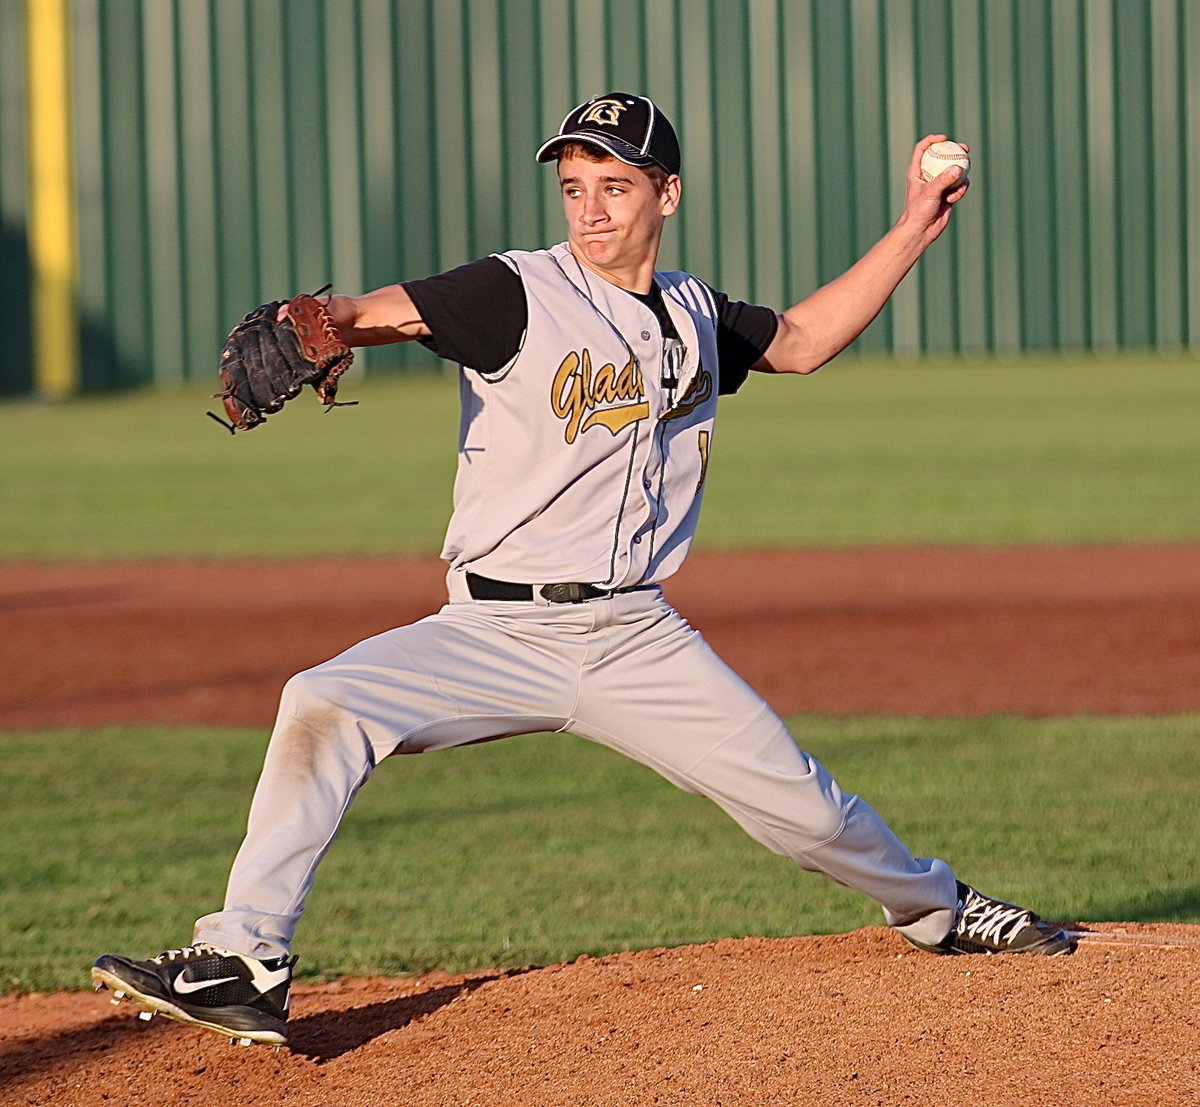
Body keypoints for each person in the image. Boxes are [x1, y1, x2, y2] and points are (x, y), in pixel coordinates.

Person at [92, 93, 1073, 1047]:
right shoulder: (513, 292)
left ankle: (939, 908)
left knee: (807, 812)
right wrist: (326, 319)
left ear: (666, 195)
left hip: (636, 638)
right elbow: (374, 313)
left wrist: (915, 224)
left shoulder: (694, 314)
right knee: (323, 702)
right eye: (573, 186)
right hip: (490, 631)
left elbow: (805, 342)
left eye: (613, 184)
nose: (591, 208)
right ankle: (246, 962)